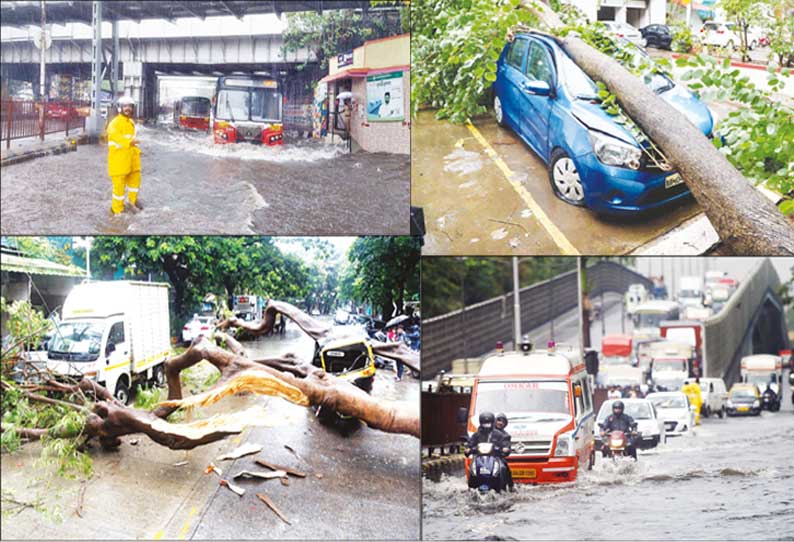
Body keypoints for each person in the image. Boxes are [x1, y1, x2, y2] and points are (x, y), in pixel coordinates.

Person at [107, 96, 142, 215]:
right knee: (119, 189)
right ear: (120, 108)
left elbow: (132, 140)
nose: (128, 108)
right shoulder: (114, 124)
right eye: (125, 106)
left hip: (132, 160)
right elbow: (117, 137)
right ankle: (117, 210)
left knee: (135, 183)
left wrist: (137, 151)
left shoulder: (131, 123)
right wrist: (129, 143)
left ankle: (131, 203)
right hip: (119, 162)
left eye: (130, 106)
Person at [494, 413, 514, 491]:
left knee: (503, 467)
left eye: (503, 421)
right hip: (484, 456)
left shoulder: (505, 435)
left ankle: (508, 486)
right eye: (499, 420)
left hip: (498, 457)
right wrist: (469, 446)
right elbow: (475, 438)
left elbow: (507, 445)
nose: (500, 423)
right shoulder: (486, 431)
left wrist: (506, 449)